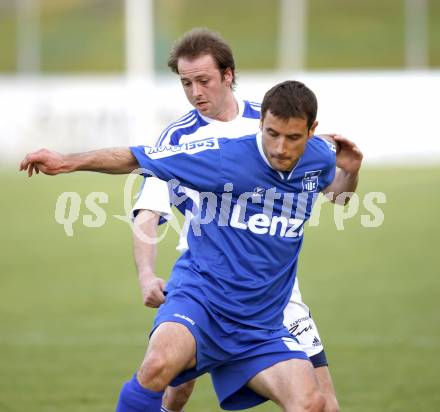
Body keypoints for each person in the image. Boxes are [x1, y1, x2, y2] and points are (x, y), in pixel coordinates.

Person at [20, 80, 363, 412]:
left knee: (313, 405)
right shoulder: (223, 157)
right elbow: (136, 158)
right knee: (157, 367)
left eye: (293, 138)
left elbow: (339, 196)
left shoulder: (319, 157)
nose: (280, 148)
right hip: (202, 299)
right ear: (261, 123)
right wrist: (67, 162)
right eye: (272, 134)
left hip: (262, 322)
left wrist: (350, 171)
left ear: (312, 130)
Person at [132, 28, 343, 412]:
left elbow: (328, 186)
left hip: (275, 288)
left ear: (228, 75)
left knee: (323, 402)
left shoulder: (271, 123)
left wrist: (346, 170)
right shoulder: (178, 139)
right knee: (173, 384)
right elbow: (149, 211)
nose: (195, 92)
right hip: (209, 277)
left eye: (203, 80)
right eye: (186, 83)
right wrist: (146, 274)